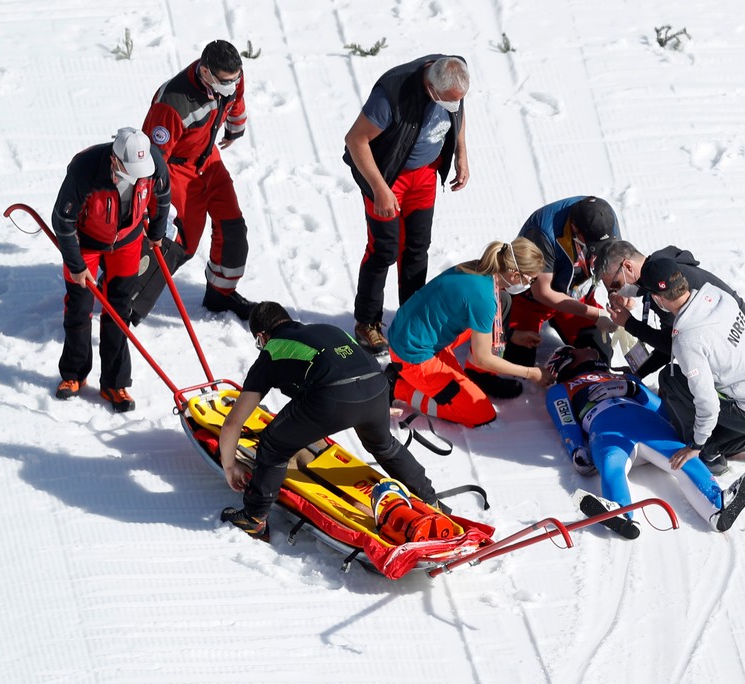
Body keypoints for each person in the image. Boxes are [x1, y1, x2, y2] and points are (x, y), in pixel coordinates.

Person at [218, 302, 439, 540]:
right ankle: (430, 499)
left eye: (258, 342)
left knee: (273, 443)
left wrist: (230, 467)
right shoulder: (328, 329)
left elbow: (233, 423)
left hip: (334, 398)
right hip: (377, 387)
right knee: (384, 446)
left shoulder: (273, 349)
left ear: (261, 335)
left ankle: (253, 518)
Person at [596, 240, 745, 473]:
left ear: (658, 299)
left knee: (672, 381)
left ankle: (719, 452)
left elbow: (707, 403)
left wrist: (696, 445)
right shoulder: (713, 294)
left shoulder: (687, 338)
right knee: (704, 370)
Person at [545, 345, 745, 536]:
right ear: (567, 360)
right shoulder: (561, 388)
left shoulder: (626, 378)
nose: (589, 347)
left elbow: (662, 410)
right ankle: (620, 512)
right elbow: (565, 421)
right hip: (607, 429)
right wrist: (576, 448)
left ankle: (717, 506)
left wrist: (633, 389)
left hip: (650, 425)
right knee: (611, 464)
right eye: (576, 349)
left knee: (684, 458)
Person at [343, 54, 471, 354]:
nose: (454, 106)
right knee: (383, 249)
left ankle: (412, 315)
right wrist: (380, 188)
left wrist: (461, 153)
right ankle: (367, 322)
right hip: (389, 176)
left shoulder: (452, 77)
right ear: (431, 88)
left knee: (416, 248)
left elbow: (458, 113)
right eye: (447, 101)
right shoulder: (393, 94)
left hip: (424, 176)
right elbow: (355, 140)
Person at [51, 127, 171, 412]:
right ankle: (73, 375)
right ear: (115, 161)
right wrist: (77, 266)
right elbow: (62, 221)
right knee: (80, 307)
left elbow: (163, 196)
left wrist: (156, 232)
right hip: (87, 242)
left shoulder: (152, 163)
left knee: (119, 310)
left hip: (128, 240)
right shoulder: (85, 169)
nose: (141, 177)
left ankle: (114, 383)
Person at [595, 240, 745, 398]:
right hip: (744, 334)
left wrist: (630, 325)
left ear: (628, 267)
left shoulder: (662, 290)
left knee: (675, 391)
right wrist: (637, 372)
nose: (616, 293)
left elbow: (673, 346)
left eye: (614, 285)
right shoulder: (661, 264)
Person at [139, 39, 255, 321]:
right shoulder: (172, 103)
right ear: (205, 72)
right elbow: (150, 163)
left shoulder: (231, 78)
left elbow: (235, 101)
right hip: (175, 169)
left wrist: (234, 129)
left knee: (233, 231)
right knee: (177, 242)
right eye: (226, 81)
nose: (233, 84)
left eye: (235, 78)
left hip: (208, 161)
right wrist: (154, 205)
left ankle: (220, 294)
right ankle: (128, 295)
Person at [387, 238, 550, 428]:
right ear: (515, 275)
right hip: (413, 355)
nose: (530, 284)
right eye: (530, 279)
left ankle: (479, 376)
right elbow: (483, 358)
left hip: (413, 334)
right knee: (481, 413)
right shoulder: (484, 297)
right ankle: (397, 387)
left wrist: (511, 334)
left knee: (503, 299)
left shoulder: (478, 268)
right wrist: (532, 373)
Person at [504, 196, 622, 368]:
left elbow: (611, 262)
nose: (596, 252)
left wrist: (614, 293)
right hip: (534, 302)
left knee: (600, 355)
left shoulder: (606, 220)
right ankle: (504, 314)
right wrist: (595, 314)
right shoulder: (542, 233)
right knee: (519, 363)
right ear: (574, 228)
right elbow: (542, 292)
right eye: (592, 246)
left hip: (577, 296)